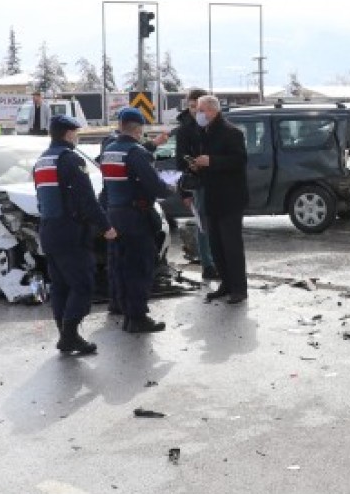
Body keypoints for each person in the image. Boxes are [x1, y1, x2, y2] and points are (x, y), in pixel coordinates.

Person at [33, 114, 117, 355]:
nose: (77, 137)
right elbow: (87, 199)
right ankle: (70, 335)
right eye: (76, 133)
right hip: (71, 232)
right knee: (82, 284)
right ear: (69, 134)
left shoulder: (42, 161)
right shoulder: (70, 160)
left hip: (49, 230)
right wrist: (106, 227)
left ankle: (65, 334)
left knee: (60, 286)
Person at [99, 107, 174, 333]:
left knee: (119, 264)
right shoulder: (136, 152)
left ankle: (120, 306)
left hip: (114, 214)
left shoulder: (109, 150)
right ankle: (137, 317)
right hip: (135, 217)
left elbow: (106, 187)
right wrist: (172, 187)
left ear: (121, 126)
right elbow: (155, 186)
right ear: (139, 130)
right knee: (139, 266)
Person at [190, 95, 249, 304]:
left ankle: (239, 288)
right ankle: (226, 283)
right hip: (212, 196)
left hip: (230, 197)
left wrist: (212, 161)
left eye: (201, 110)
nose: (198, 114)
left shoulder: (231, 132)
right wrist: (198, 165)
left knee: (231, 245)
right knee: (216, 244)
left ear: (212, 111)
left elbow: (239, 160)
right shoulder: (204, 133)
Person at [175, 88, 218, 280]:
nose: (194, 111)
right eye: (191, 107)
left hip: (216, 180)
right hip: (198, 182)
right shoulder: (185, 130)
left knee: (216, 224)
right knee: (203, 225)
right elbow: (180, 161)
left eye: (198, 107)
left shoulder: (214, 125)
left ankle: (217, 262)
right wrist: (184, 191)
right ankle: (208, 265)